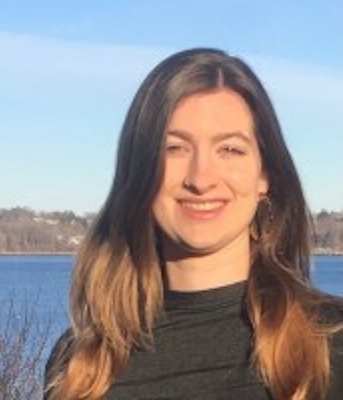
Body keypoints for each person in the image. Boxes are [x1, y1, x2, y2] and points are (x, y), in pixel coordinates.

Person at [44, 48, 343, 399]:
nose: (201, 178)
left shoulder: (329, 344)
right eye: (174, 148)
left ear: (265, 175)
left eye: (229, 149)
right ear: (141, 172)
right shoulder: (80, 365)